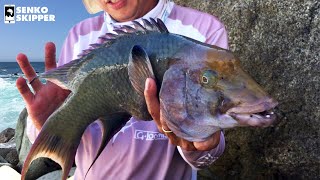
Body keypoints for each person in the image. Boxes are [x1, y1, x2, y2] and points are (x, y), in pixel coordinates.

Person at [16, 0, 229, 179]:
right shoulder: (79, 35)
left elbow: (205, 157)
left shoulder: (203, 30)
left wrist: (203, 143)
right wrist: (46, 123)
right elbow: (68, 141)